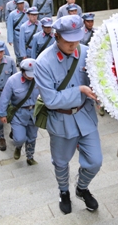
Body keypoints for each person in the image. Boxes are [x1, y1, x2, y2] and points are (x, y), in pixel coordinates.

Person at [34, 15, 102, 214]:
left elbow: (98, 80)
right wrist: (80, 90)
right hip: (61, 120)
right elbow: (51, 100)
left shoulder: (87, 52)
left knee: (95, 161)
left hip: (85, 115)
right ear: (56, 36)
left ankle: (82, 187)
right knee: (61, 162)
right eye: (68, 41)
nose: (74, 45)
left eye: (77, 40)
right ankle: (63, 191)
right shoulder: (43, 63)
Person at [0, 59, 40, 164]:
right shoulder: (12, 80)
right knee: (19, 138)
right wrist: (2, 114)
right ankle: (18, 146)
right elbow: (4, 98)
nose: (31, 77)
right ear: (22, 71)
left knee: (32, 137)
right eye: (28, 74)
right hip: (19, 113)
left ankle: (30, 156)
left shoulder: (40, 78)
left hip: (34, 113)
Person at [7, 0, 29, 65]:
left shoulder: (28, 13)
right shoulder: (12, 14)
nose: (21, 5)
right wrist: (10, 39)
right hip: (17, 33)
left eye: (22, 3)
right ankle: (19, 61)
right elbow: (10, 26)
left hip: (26, 33)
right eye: (19, 4)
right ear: (16, 4)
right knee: (18, 49)